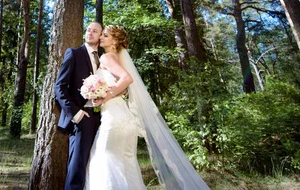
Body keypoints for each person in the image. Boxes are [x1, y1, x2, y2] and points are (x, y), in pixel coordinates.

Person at [85, 25, 210, 190]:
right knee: (127, 166)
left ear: (114, 41)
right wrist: (101, 94)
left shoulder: (107, 58)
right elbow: (123, 88)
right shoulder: (117, 58)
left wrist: (105, 97)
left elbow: (127, 79)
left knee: (102, 160)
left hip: (114, 119)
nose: (101, 37)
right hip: (126, 120)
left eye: (105, 35)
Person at [54, 21, 103, 190]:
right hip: (83, 118)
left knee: (97, 163)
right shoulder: (74, 53)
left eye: (95, 31)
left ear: (100, 36)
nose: (90, 33)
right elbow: (59, 87)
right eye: (88, 30)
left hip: (103, 117)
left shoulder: (104, 58)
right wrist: (75, 114)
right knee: (77, 166)